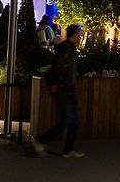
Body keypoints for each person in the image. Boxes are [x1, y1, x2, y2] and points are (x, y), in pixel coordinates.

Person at [33, 24, 85, 158]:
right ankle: (41, 140)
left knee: (73, 121)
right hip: (64, 88)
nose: (80, 36)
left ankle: (68, 150)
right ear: (74, 35)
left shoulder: (68, 47)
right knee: (67, 120)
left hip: (67, 87)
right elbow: (59, 66)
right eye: (79, 34)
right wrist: (60, 83)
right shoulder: (67, 48)